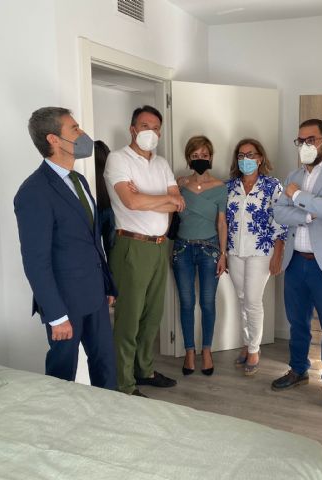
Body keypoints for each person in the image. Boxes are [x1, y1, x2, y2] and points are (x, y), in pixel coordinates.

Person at [14, 107, 117, 389]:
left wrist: (106, 283)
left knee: (106, 367)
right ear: (53, 139)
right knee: (62, 377)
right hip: (65, 302)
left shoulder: (79, 180)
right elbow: (35, 261)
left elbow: (92, 240)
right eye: (75, 128)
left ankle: (111, 415)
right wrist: (56, 315)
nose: (82, 134)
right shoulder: (33, 192)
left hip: (95, 295)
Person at [271, 119, 322, 408]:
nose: (305, 146)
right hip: (296, 261)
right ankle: (298, 370)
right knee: (297, 322)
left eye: (311, 140)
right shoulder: (292, 175)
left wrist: (296, 196)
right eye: (301, 141)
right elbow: (279, 213)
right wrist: (310, 212)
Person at [104, 105, 184, 397]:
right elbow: (131, 203)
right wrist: (160, 200)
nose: (151, 132)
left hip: (159, 246)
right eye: (145, 126)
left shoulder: (161, 164)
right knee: (129, 317)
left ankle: (144, 370)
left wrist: (148, 198)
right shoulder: (118, 159)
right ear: (133, 129)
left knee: (152, 316)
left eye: (156, 128)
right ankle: (124, 383)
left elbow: (177, 202)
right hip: (132, 246)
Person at [226, 138, 288, 375]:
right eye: (241, 155)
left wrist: (278, 254)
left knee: (252, 300)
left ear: (260, 158)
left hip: (262, 251)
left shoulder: (272, 186)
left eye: (250, 155)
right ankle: (247, 343)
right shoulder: (230, 187)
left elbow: (281, 221)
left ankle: (254, 349)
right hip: (234, 250)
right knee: (242, 299)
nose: (246, 159)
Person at [172, 135, 228, 376]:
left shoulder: (220, 187)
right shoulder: (179, 185)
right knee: (186, 302)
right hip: (182, 249)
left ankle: (206, 350)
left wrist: (223, 254)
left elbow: (222, 223)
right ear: (188, 159)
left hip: (210, 250)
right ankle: (189, 351)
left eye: (204, 155)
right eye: (195, 156)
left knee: (207, 302)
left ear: (211, 157)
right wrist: (178, 185)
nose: (200, 159)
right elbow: (168, 207)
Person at [94, 140, 115, 256]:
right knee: (111, 249)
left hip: (95, 211)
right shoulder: (112, 171)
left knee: (94, 249)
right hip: (110, 209)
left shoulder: (87, 172)